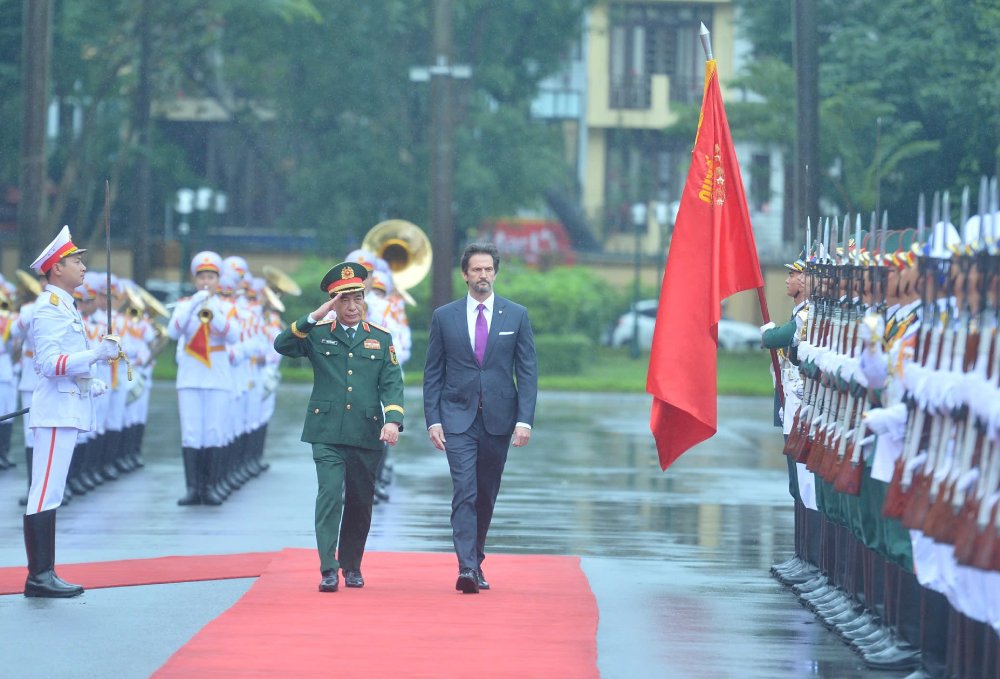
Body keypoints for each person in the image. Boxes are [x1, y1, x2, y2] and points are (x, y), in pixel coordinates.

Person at [273, 261, 403, 593]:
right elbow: (283, 344)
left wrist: (393, 421)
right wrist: (316, 315)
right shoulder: (316, 335)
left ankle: (352, 565)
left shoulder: (380, 338)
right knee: (330, 495)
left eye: (357, 298)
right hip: (327, 431)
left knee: (360, 501)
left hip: (365, 431)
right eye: (343, 300)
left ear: (364, 300)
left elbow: (392, 384)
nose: (352, 306)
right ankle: (328, 567)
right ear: (334, 303)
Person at [423, 242, 537, 593]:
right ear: (465, 274)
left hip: (500, 419)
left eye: (488, 269)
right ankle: (467, 569)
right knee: (465, 490)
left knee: (486, 493)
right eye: (476, 269)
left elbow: (527, 371)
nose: (483, 275)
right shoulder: (445, 316)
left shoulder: (515, 315)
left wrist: (524, 420)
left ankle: (477, 557)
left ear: (495, 273)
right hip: (457, 417)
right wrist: (433, 419)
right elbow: (432, 373)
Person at [24, 226, 119, 597]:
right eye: (75, 260)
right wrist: (95, 355)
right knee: (44, 492)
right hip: (54, 412)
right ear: (56, 268)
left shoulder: (65, 305)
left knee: (50, 491)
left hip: (65, 406)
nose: (83, 266)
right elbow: (48, 363)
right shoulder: (49, 309)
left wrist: (87, 381)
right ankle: (39, 576)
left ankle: (44, 572)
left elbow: (65, 364)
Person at [167, 251, 240, 506]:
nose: (206, 282)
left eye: (211, 277)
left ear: (218, 280)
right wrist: (193, 306)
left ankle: (210, 486)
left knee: (213, 431)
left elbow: (233, 337)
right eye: (202, 277)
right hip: (190, 375)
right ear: (194, 279)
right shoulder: (185, 304)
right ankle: (192, 488)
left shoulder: (227, 306)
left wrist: (213, 311)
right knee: (191, 433)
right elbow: (173, 332)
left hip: (217, 375)